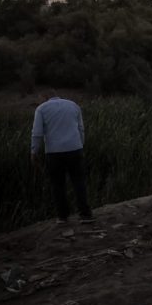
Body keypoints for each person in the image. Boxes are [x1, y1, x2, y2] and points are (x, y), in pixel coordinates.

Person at [31, 90, 93, 224]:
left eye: (39, 97)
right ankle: (85, 215)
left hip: (54, 152)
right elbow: (81, 128)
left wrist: (34, 151)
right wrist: (80, 144)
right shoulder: (73, 105)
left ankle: (63, 217)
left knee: (57, 184)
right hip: (75, 149)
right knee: (79, 182)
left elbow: (37, 133)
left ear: (44, 96)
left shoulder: (41, 109)